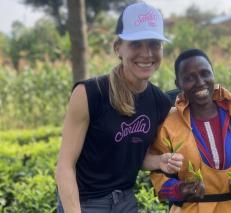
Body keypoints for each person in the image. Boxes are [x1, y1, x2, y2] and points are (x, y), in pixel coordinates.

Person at [55, 2, 184, 213]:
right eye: (135, 44)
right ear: (118, 48)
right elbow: (64, 167)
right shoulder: (89, 93)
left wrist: (159, 161)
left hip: (125, 202)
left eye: (154, 43)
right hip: (86, 203)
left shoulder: (158, 101)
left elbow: (130, 153)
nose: (147, 53)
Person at [150, 48, 231, 213]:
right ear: (178, 84)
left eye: (205, 73)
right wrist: (179, 190)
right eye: (189, 78)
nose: (200, 81)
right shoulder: (169, 125)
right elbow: (158, 171)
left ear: (213, 74)